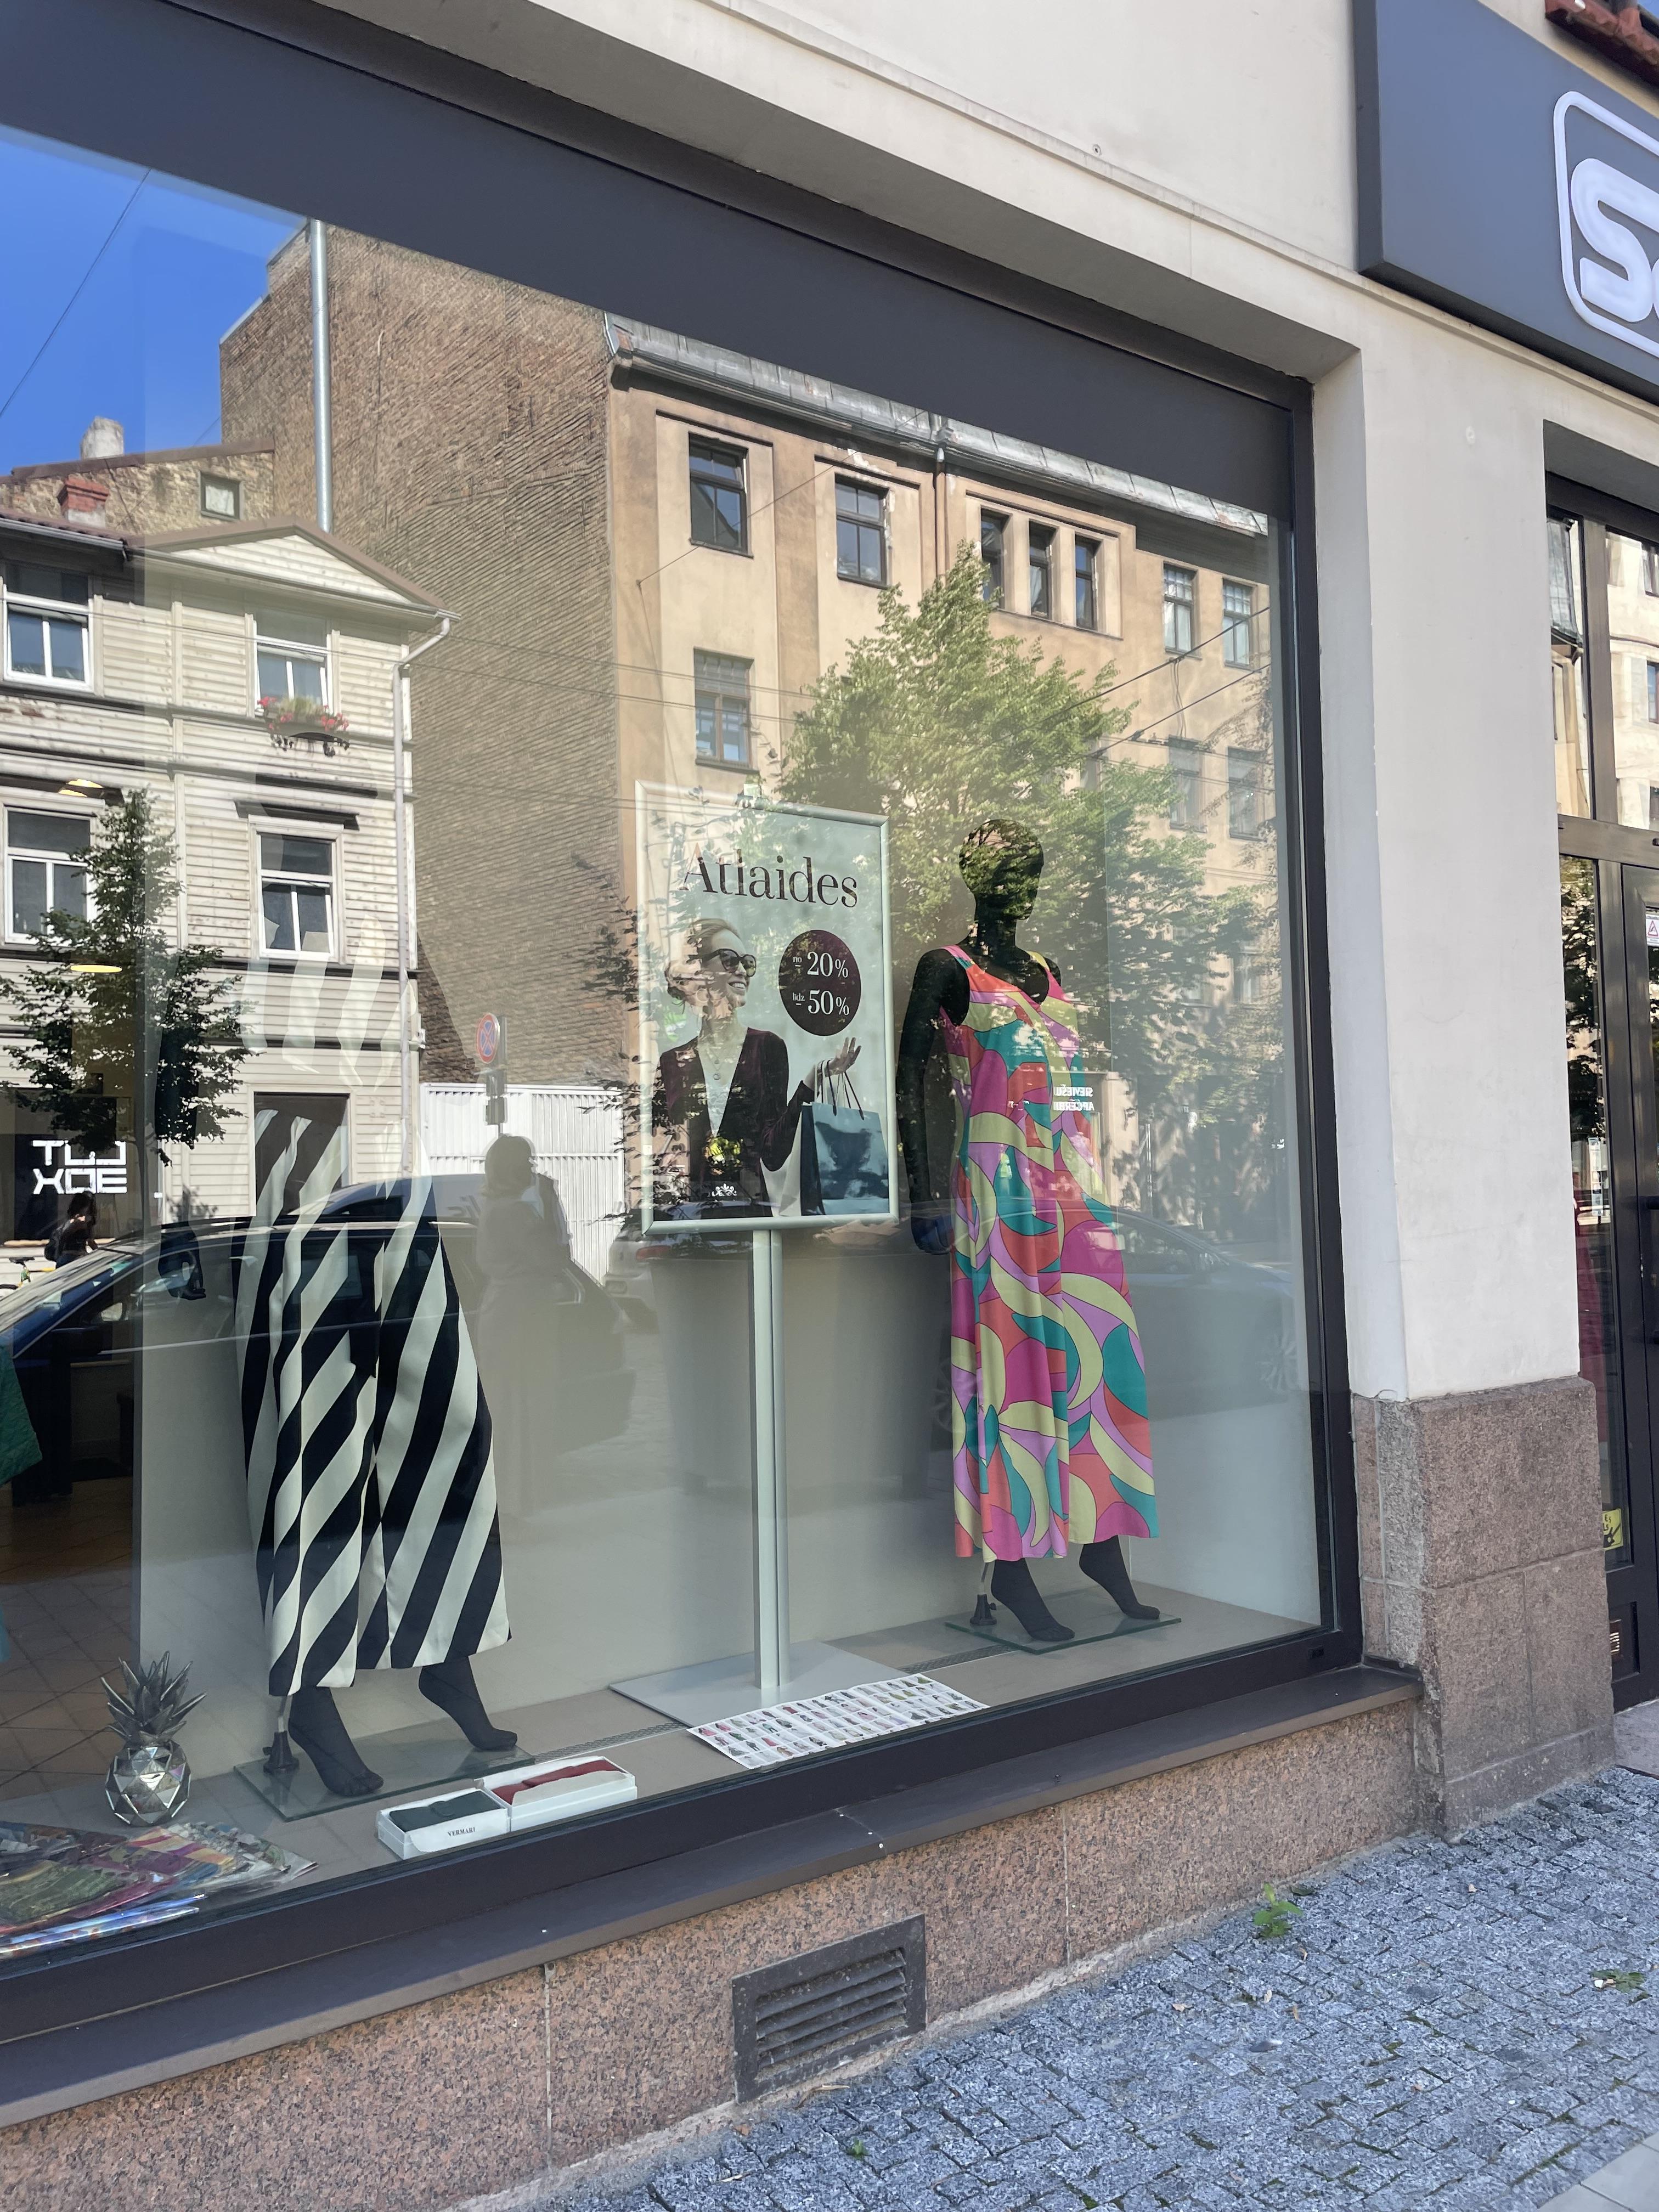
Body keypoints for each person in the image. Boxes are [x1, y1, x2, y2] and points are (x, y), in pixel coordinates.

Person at [652, 918, 857, 1219]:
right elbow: (659, 1149)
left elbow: (773, 1155)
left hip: (748, 1216)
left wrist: (812, 1079)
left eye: (747, 963)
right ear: (701, 972)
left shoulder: (767, 1047)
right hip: (687, 1217)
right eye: (729, 959)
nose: (741, 970)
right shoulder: (672, 1062)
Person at [43, 1192, 97, 1263]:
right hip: (72, 1258)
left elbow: (90, 1241)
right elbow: (90, 1242)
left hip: (71, 1257)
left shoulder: (72, 1221)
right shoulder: (78, 1222)